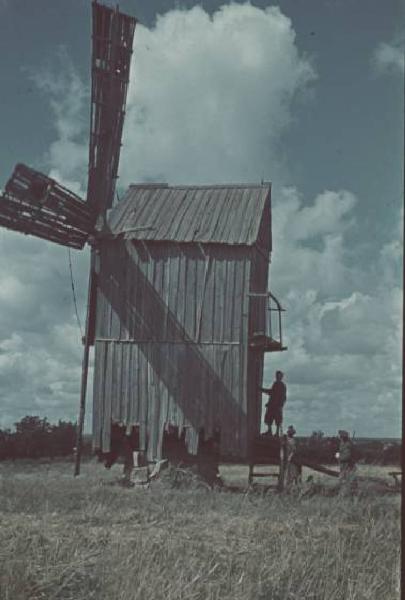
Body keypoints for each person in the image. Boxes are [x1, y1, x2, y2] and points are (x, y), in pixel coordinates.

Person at [260, 370, 286, 436]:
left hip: (276, 405)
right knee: (269, 418)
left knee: (276, 419)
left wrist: (281, 405)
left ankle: (275, 432)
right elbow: (272, 392)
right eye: (277, 375)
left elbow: (281, 396)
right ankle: (270, 431)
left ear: (281, 377)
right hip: (272, 404)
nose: (277, 377)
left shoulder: (281, 385)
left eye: (279, 375)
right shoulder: (276, 384)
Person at [337, 430, 357, 494]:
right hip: (343, 466)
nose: (339, 437)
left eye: (340, 436)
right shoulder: (342, 443)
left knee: (348, 480)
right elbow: (339, 452)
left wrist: (338, 457)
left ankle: (349, 493)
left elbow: (346, 457)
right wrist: (337, 455)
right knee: (344, 480)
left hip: (348, 466)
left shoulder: (348, 444)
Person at [285, 425, 301, 489]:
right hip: (286, 457)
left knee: (293, 473)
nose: (290, 433)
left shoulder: (293, 440)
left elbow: (294, 450)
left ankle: (293, 486)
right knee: (287, 473)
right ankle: (288, 487)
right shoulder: (285, 439)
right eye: (289, 432)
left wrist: (290, 457)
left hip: (292, 458)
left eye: (291, 432)